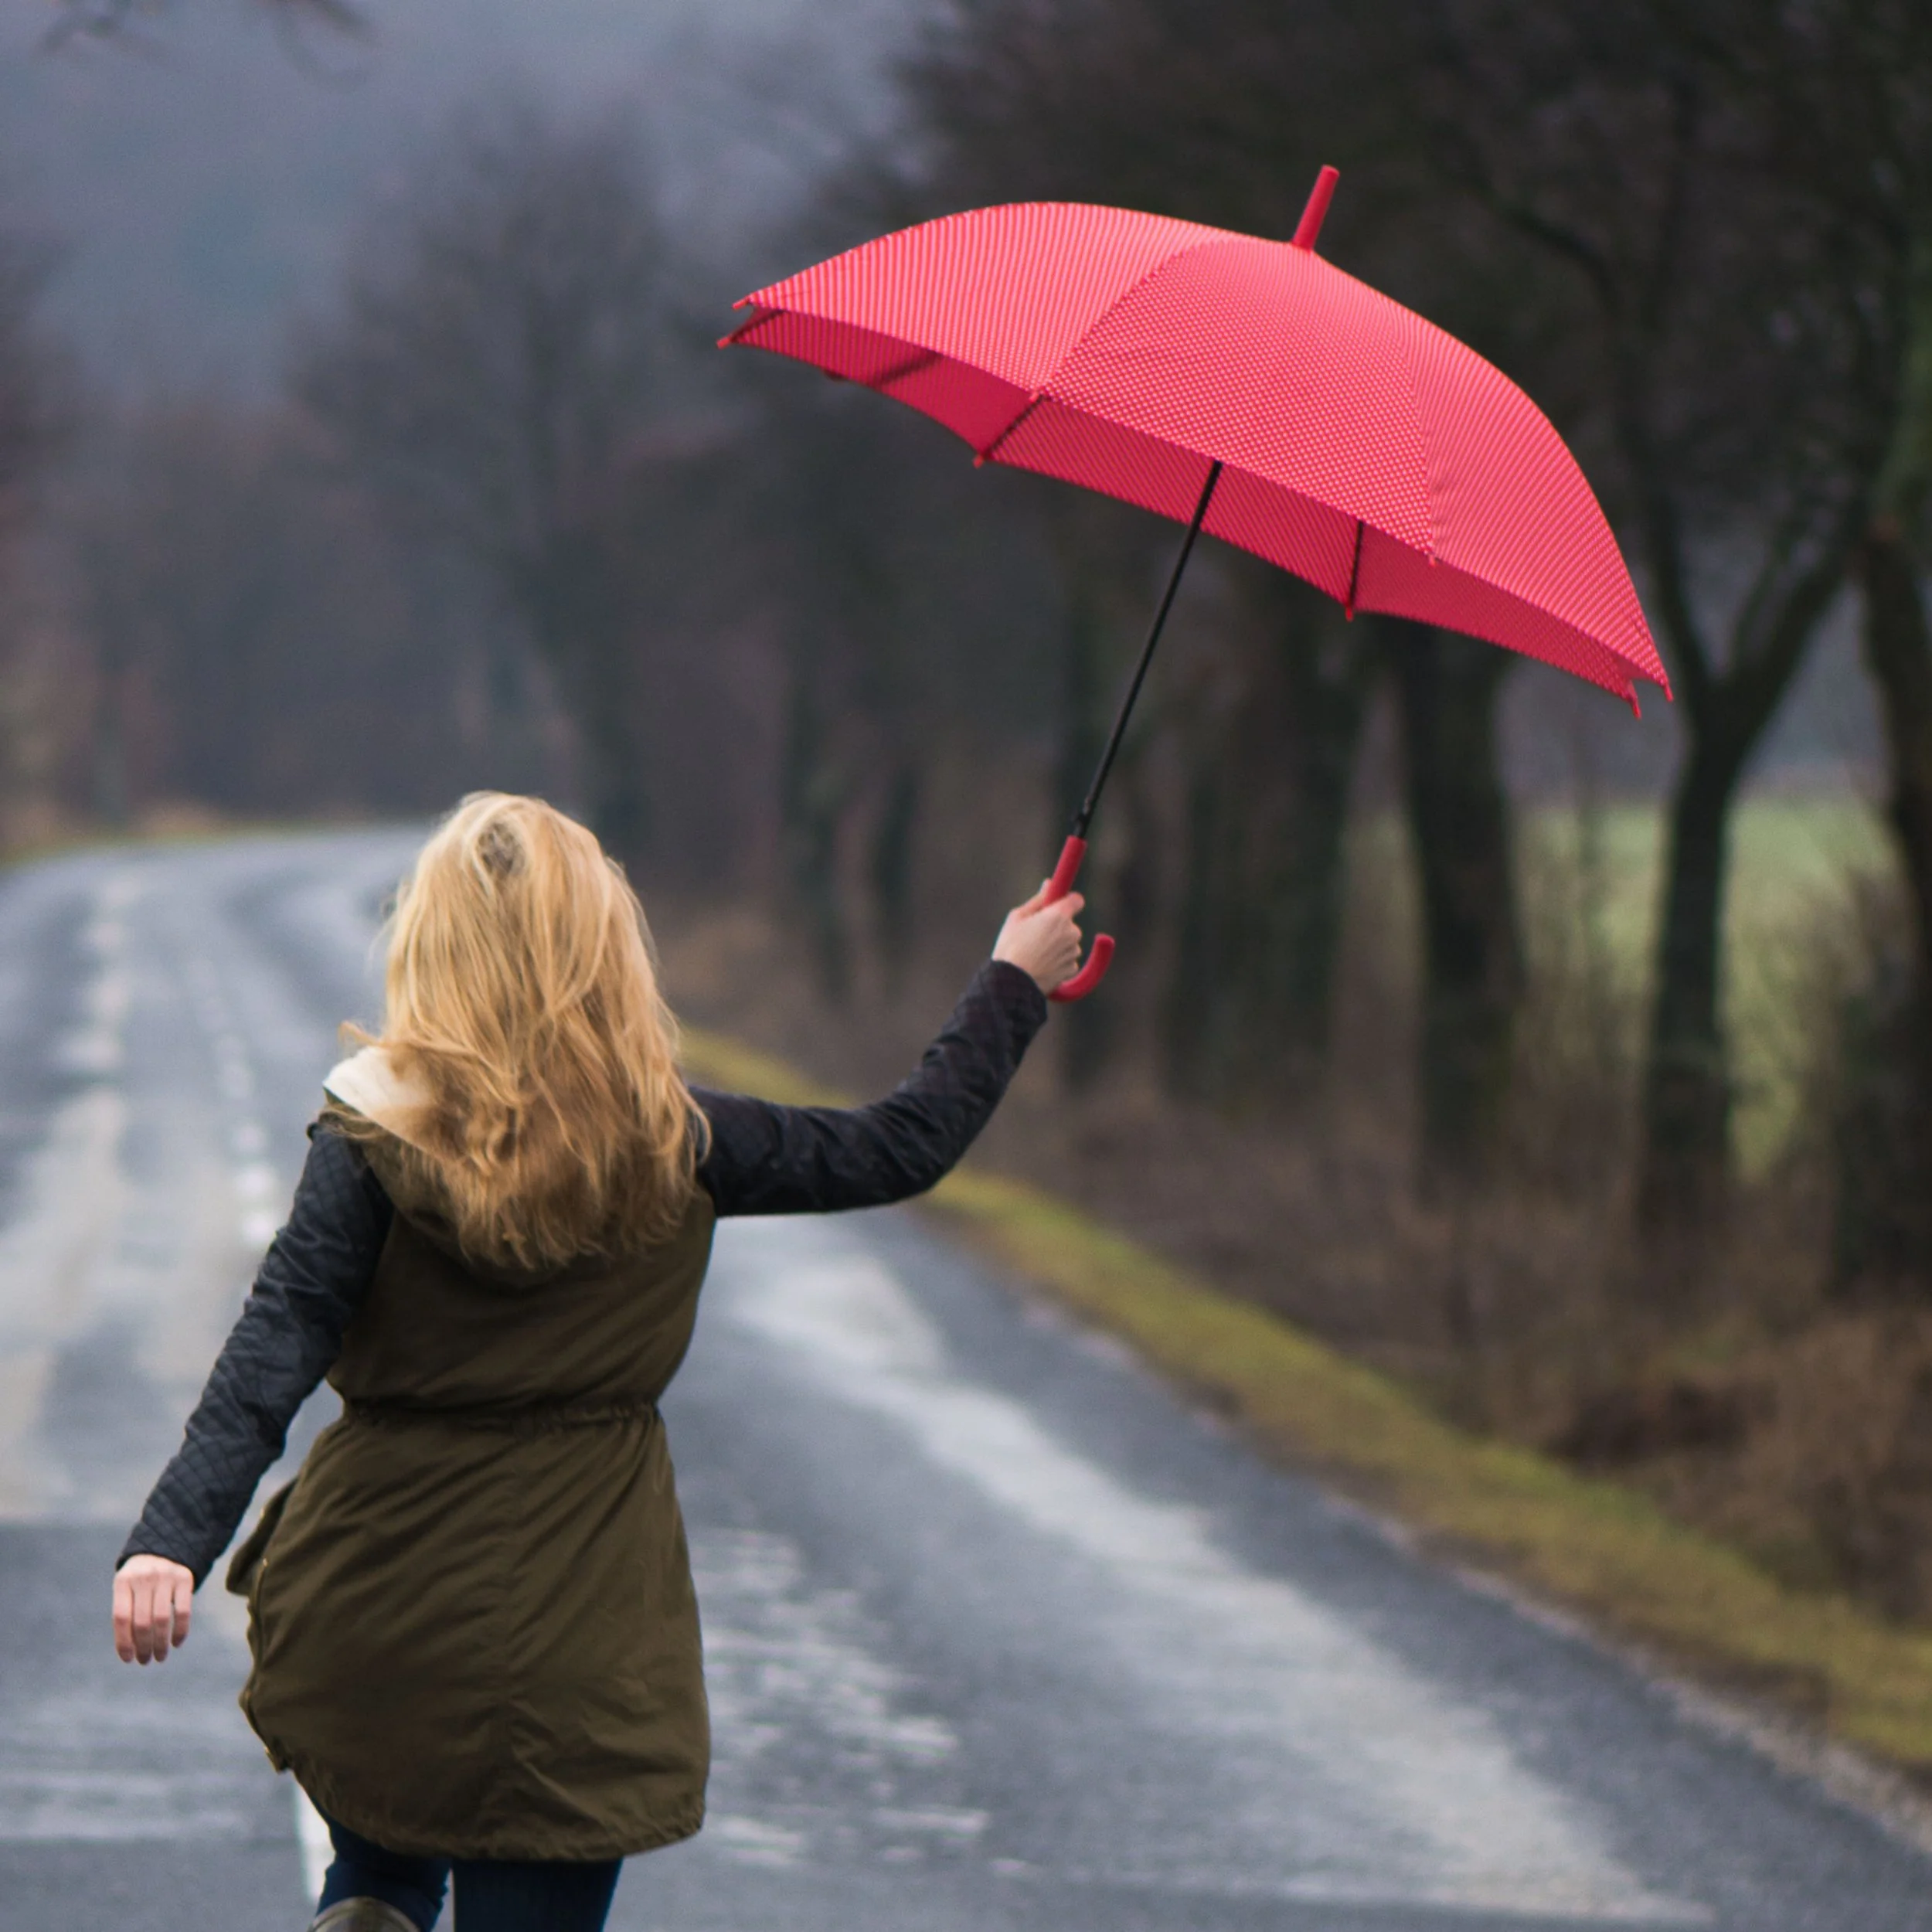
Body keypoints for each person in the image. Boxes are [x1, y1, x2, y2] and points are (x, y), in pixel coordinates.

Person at [111, 791, 1082, 1932]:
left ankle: (372, 1906)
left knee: (381, 1875)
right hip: (582, 1637)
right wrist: (1013, 982)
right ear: (601, 945)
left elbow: (277, 1338)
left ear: (434, 944)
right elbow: (898, 1143)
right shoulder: (681, 1142)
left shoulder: (371, 1139)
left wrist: (171, 1542)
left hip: (380, 1608)